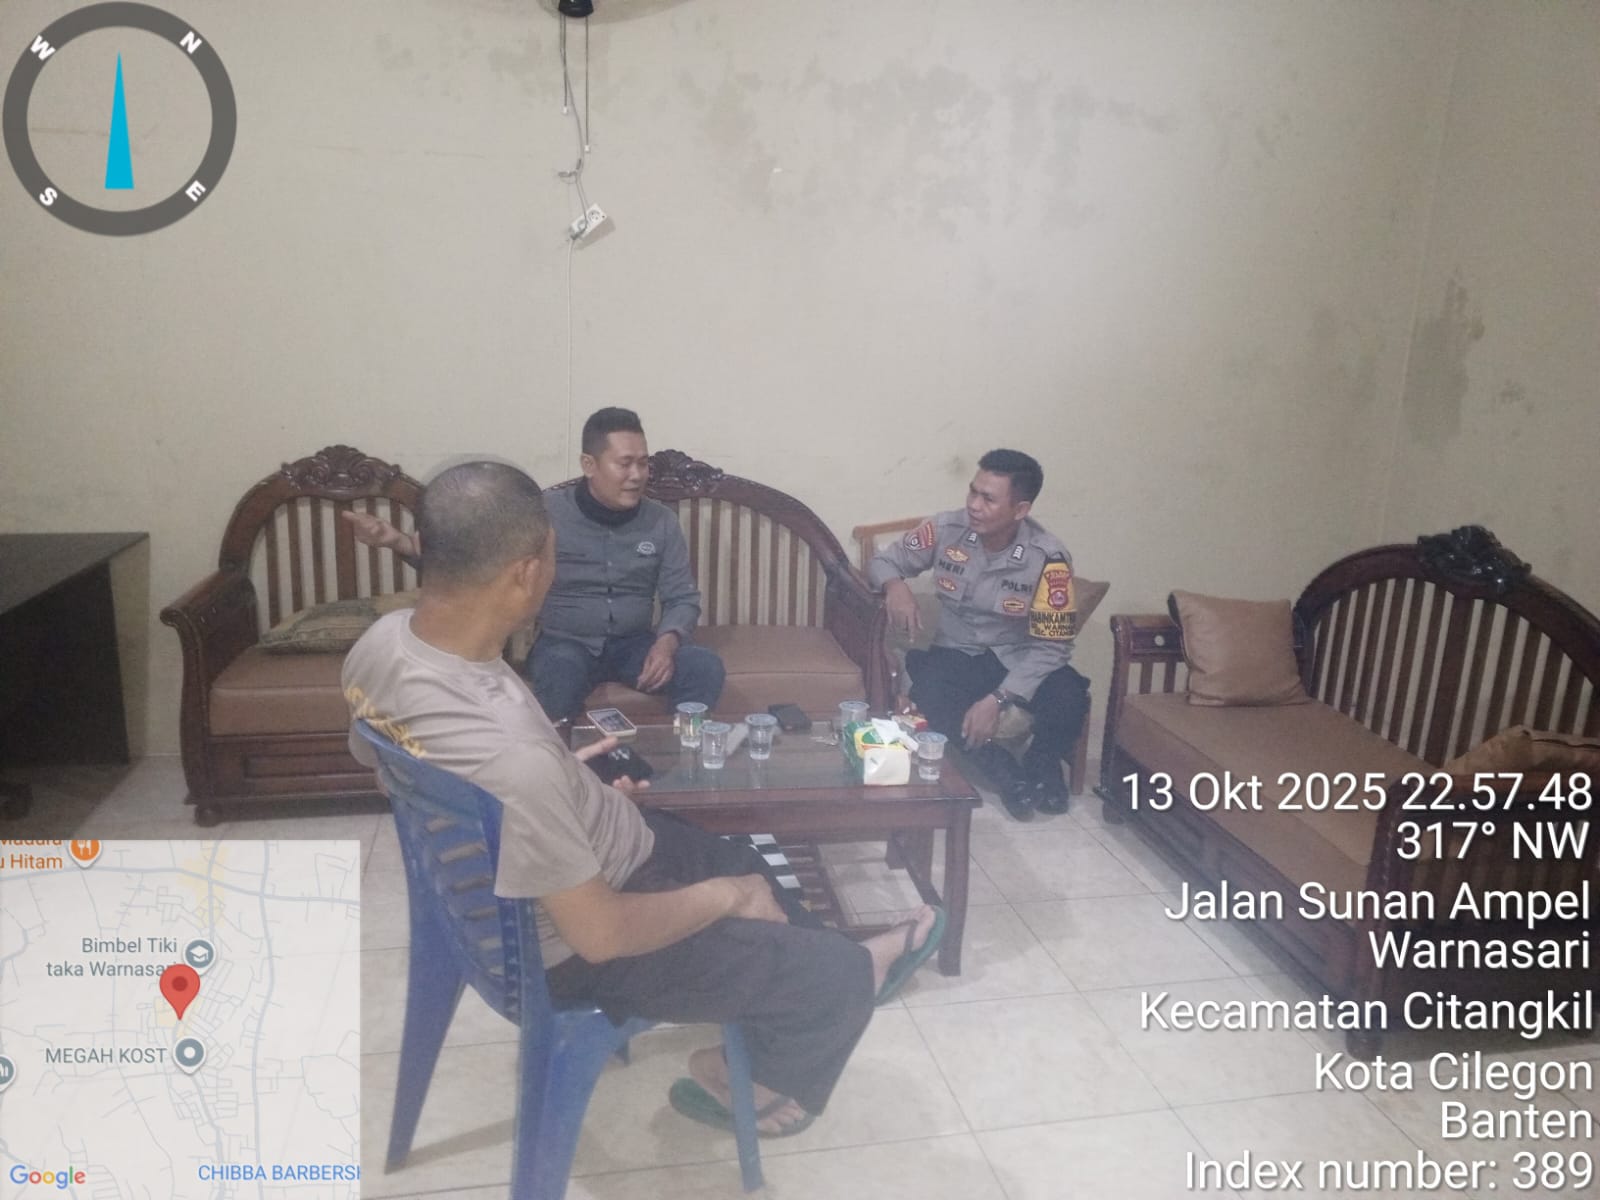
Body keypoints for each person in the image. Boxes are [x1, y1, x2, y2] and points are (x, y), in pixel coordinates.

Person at [343, 460, 944, 1137]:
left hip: (569, 855)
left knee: (745, 857)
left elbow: (396, 764)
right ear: (526, 573)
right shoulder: (516, 760)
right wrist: (727, 897)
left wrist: (564, 789)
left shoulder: (382, 645)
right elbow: (601, 936)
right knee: (813, 958)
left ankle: (826, 974)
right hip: (573, 950)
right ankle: (773, 1055)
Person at [344, 408, 724, 725]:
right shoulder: (546, 512)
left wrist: (666, 643)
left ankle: (683, 757)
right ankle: (567, 772)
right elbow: (478, 566)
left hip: (634, 645)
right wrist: (397, 542)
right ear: (589, 464)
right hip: (566, 643)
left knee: (702, 666)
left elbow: (682, 597)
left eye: (643, 463)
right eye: (625, 464)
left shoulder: (661, 522)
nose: (637, 475)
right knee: (559, 676)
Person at [867, 449, 1090, 822]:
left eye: (988, 498)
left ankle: (1043, 763)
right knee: (928, 692)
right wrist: (895, 585)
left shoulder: (1047, 556)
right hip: (958, 653)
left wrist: (999, 699)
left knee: (1069, 694)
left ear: (1020, 509)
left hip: (1018, 657)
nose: (973, 505)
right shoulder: (945, 529)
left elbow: (1053, 646)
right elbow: (882, 561)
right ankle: (1001, 769)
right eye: (973, 491)